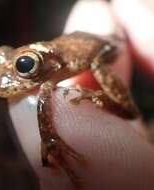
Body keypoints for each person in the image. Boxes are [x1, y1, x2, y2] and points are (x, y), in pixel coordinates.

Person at [9, 0, 154, 189]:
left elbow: (130, 112)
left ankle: (113, 102)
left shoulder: (50, 75)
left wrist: (103, 99)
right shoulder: (45, 83)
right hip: (88, 43)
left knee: (102, 74)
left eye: (24, 65)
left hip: (102, 49)